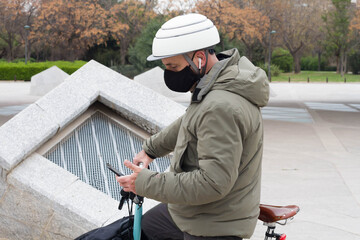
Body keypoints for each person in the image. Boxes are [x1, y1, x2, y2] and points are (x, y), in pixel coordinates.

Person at [117, 13, 270, 240]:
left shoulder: (221, 105)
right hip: (195, 211)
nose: (169, 73)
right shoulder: (216, 84)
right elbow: (188, 122)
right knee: (140, 229)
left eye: (173, 66)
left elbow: (212, 183)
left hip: (214, 223)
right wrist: (151, 150)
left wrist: (144, 182)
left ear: (198, 58)